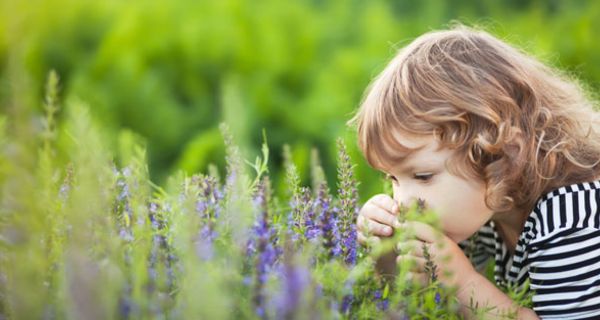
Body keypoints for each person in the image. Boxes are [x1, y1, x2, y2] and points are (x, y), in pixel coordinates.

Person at [349, 25, 600, 319]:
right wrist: (390, 258)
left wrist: (463, 282)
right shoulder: (482, 213)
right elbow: (423, 305)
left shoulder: (572, 220)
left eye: (423, 176)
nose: (403, 202)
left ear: (506, 156)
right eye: (393, 178)